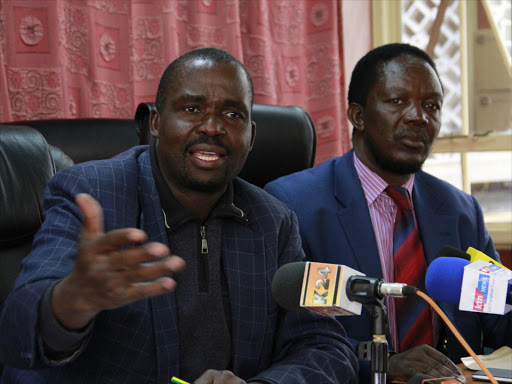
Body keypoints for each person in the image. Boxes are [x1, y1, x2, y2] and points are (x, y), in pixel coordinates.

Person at [0, 48, 358, 384]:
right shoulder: (90, 193)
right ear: (156, 122)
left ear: (251, 136)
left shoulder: (275, 221)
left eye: (233, 114)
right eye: (191, 109)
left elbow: (326, 345)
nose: (213, 127)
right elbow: (17, 331)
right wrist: (73, 298)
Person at [264, 43, 512, 383]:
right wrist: (385, 364)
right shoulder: (294, 204)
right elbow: (287, 335)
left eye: (431, 106)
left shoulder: (460, 211)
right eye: (398, 102)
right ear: (358, 116)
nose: (418, 117)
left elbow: (500, 322)